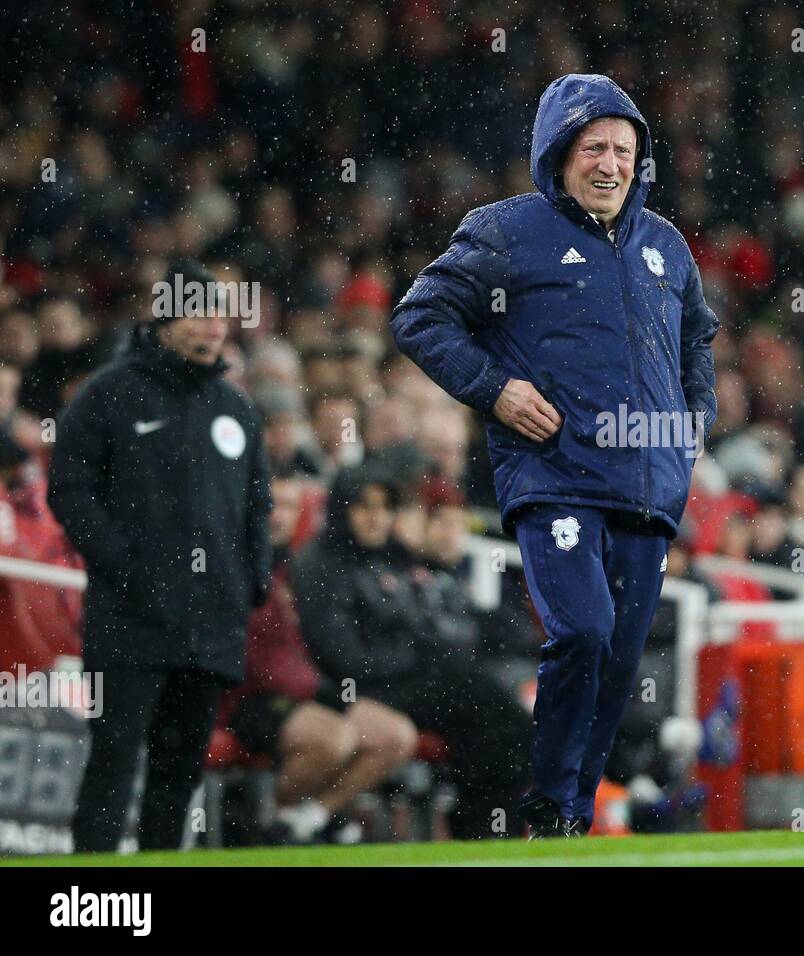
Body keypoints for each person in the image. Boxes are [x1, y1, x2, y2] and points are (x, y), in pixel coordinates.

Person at [391, 74, 719, 837]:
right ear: (558, 153)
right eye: (593, 147)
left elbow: (697, 339)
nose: (610, 164)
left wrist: (692, 422)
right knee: (582, 631)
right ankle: (547, 803)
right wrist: (494, 388)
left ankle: (569, 819)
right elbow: (420, 316)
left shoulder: (666, 246)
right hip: (554, 476)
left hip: (648, 484)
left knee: (618, 661)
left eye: (624, 150)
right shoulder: (508, 231)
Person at [47, 260, 273, 852]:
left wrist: (252, 581)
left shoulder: (236, 407)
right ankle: (90, 895)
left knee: (179, 775)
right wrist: (124, 567)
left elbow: (258, 505)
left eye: (221, 315)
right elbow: (68, 490)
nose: (214, 327)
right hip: (131, 620)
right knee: (114, 761)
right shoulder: (109, 394)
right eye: (199, 313)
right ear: (164, 319)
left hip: (213, 623)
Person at [291, 465, 533, 839]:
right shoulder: (321, 564)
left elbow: (424, 625)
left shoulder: (389, 558)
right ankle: (479, 828)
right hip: (356, 690)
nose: (376, 518)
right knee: (488, 708)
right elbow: (344, 659)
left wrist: (426, 649)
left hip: (409, 680)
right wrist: (419, 653)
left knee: (501, 711)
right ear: (342, 509)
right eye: (363, 507)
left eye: (384, 508)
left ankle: (490, 824)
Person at [221, 474, 418, 844]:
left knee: (396, 735)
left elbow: (312, 647)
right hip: (247, 698)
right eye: (271, 505)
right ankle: (270, 819)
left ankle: (310, 817)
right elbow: (260, 662)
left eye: (291, 506)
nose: (280, 516)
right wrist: (320, 689)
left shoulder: (293, 566)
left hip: (306, 690)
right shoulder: (235, 563)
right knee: (336, 738)